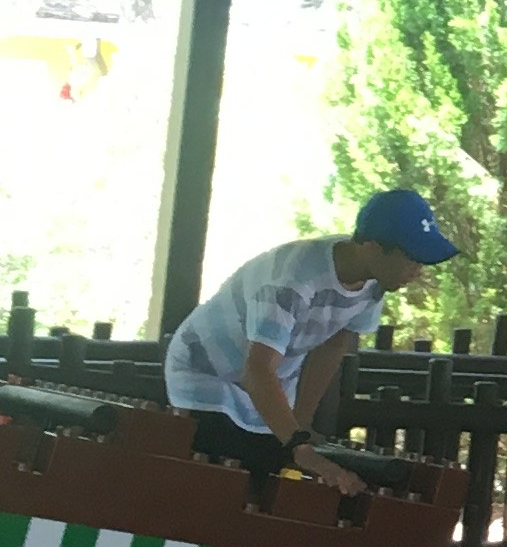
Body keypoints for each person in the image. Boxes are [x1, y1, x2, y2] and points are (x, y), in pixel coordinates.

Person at [162, 194, 458, 484]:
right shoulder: (291, 282)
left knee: (270, 472)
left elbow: (333, 346)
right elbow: (257, 371)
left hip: (267, 382)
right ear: (373, 247)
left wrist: (301, 426)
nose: (418, 271)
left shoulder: (374, 282)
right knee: (226, 478)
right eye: (412, 259)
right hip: (207, 372)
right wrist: (299, 447)